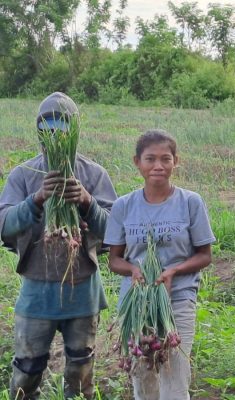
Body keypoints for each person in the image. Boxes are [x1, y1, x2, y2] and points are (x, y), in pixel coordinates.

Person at [0, 92, 117, 399]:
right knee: (26, 370)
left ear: (74, 129)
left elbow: (116, 231)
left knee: (81, 373)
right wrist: (36, 200)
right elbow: (4, 224)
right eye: (47, 126)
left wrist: (87, 201)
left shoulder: (93, 174)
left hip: (83, 290)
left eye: (62, 126)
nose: (55, 134)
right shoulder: (24, 175)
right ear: (38, 130)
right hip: (37, 291)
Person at [104, 130, 215, 400]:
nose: (158, 166)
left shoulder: (190, 202)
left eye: (166, 159)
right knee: (142, 379)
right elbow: (114, 260)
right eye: (150, 159)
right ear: (137, 162)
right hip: (137, 303)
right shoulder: (123, 206)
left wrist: (173, 271)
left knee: (174, 380)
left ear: (176, 161)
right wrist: (133, 270)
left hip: (177, 299)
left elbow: (205, 255)